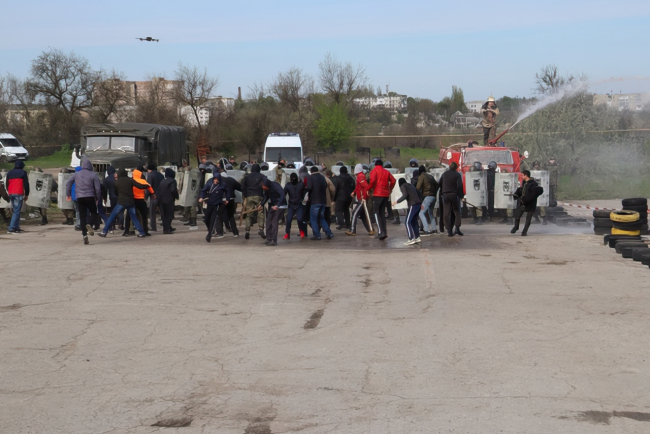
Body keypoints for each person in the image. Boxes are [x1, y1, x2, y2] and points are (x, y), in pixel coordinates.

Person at [98, 169, 148, 239]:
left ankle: (104, 232)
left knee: (112, 216)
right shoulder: (130, 180)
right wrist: (147, 185)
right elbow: (139, 186)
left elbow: (115, 192)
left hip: (121, 202)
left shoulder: (116, 182)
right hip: (130, 201)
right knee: (134, 217)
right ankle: (141, 232)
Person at [65, 158, 101, 244]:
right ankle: (89, 224)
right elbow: (98, 188)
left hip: (80, 197)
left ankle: (84, 235)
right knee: (94, 213)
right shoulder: (93, 175)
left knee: (82, 216)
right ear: (90, 166)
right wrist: (98, 197)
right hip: (90, 196)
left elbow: (68, 183)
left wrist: (68, 194)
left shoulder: (76, 174)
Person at [368, 159, 396, 241]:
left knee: (376, 213)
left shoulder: (374, 171)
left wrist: (368, 189)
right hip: (385, 194)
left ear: (375, 165)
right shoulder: (386, 172)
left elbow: (372, 181)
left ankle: (381, 232)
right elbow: (393, 180)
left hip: (377, 193)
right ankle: (384, 232)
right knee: (382, 213)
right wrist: (390, 189)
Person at [511, 170, 544, 236]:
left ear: (526, 175)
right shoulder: (524, 183)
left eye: (522, 175)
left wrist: (524, 199)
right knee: (517, 216)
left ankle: (524, 232)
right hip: (523, 202)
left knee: (528, 218)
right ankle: (516, 227)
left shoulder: (533, 184)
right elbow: (522, 190)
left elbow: (532, 194)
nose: (521, 176)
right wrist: (517, 194)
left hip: (530, 203)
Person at [306, 166, 334, 240]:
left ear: (311, 171)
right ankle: (329, 233)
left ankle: (317, 235)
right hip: (323, 201)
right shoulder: (322, 177)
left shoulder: (310, 178)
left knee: (313, 218)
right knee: (321, 218)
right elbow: (325, 187)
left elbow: (309, 187)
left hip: (315, 201)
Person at [199, 172, 228, 242]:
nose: (216, 181)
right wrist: (201, 197)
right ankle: (210, 229)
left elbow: (227, 191)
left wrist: (227, 199)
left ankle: (209, 235)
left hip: (217, 204)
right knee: (206, 218)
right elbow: (203, 190)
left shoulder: (222, 184)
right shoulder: (209, 183)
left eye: (217, 180)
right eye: (215, 179)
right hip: (209, 203)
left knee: (213, 219)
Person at [124, 167, 154, 236]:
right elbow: (149, 187)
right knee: (144, 216)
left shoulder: (131, 181)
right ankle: (145, 230)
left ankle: (127, 230)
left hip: (132, 200)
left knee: (129, 216)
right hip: (141, 200)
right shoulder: (143, 181)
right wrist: (153, 193)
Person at [346, 164, 374, 236]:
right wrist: (354, 192)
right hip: (362, 198)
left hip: (361, 199)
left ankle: (352, 230)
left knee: (354, 213)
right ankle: (370, 229)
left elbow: (365, 186)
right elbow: (359, 187)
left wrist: (363, 196)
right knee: (363, 215)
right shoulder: (360, 176)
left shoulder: (360, 176)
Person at [241, 163, 267, 239]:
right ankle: (261, 229)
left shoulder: (247, 177)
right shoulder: (262, 176)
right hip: (259, 195)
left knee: (249, 213)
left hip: (249, 196)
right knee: (260, 213)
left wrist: (245, 195)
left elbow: (243, 187)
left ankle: (247, 230)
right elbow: (265, 185)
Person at [393, 177, 422, 245]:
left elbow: (405, 195)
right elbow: (419, 193)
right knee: (414, 221)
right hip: (418, 204)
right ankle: (417, 237)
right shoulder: (410, 185)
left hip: (413, 204)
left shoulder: (403, 186)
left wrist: (396, 202)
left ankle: (411, 238)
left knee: (407, 222)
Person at [439, 162, 464, 237]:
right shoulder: (457, 174)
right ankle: (457, 228)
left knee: (446, 213)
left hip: (445, 195)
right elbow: (459, 186)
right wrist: (461, 196)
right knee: (457, 211)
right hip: (454, 194)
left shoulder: (444, 174)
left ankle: (449, 230)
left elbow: (439, 184)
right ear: (456, 167)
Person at [260, 178, 287, 246]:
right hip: (273, 206)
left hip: (280, 205)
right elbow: (266, 196)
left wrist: (277, 205)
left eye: (264, 187)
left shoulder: (275, 185)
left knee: (274, 222)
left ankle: (273, 240)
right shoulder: (267, 189)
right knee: (268, 221)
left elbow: (282, 195)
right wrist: (261, 204)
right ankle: (269, 238)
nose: (263, 188)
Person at [5, 160, 29, 234]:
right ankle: (11, 227)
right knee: (17, 211)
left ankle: (16, 227)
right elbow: (26, 184)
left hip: (11, 192)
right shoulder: (23, 172)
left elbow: (6, 184)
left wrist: (8, 191)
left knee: (16, 210)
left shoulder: (9, 173)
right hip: (18, 193)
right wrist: (26, 194)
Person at [415, 165, 439, 235]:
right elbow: (437, 185)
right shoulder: (430, 176)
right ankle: (434, 229)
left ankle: (426, 229)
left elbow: (418, 187)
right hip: (433, 197)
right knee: (431, 213)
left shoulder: (421, 177)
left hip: (427, 197)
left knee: (421, 213)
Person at [332, 165, 355, 230]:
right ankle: (348, 223)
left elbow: (336, 189)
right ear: (346, 171)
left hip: (340, 196)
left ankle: (341, 223)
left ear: (340, 171)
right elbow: (353, 186)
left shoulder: (338, 178)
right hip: (349, 197)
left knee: (338, 210)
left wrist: (334, 198)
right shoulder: (350, 178)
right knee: (346, 210)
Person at [283, 172, 306, 239]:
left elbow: (304, 194)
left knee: (299, 219)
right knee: (288, 219)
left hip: (299, 204)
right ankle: (287, 233)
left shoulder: (301, 184)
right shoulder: (288, 185)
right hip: (291, 204)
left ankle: (301, 230)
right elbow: (283, 194)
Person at [156, 168, 179, 234]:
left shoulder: (162, 181)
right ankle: (167, 229)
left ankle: (166, 228)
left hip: (161, 200)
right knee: (169, 214)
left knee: (163, 215)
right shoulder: (172, 181)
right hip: (169, 200)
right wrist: (176, 196)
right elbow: (173, 190)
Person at [221, 170, 242, 237]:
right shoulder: (231, 180)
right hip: (231, 199)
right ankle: (235, 232)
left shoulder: (219, 180)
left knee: (221, 215)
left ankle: (222, 230)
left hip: (222, 200)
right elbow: (240, 187)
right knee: (231, 216)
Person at [146, 163, 164, 232]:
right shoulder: (161, 175)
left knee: (152, 212)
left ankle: (153, 227)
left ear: (149, 169)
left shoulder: (150, 175)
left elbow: (149, 186)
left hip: (153, 196)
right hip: (161, 195)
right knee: (162, 211)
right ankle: (165, 225)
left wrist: (146, 196)